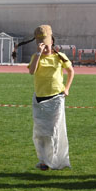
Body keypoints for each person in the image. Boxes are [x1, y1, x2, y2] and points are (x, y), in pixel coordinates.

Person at [27, 25, 74, 171]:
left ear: (52, 42)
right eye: (41, 44)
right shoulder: (36, 57)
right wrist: (38, 54)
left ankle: (53, 160)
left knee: (53, 131)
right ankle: (43, 160)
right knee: (40, 132)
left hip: (55, 98)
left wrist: (66, 89)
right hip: (40, 99)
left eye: (46, 44)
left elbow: (71, 71)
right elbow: (32, 71)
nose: (45, 47)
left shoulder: (59, 57)